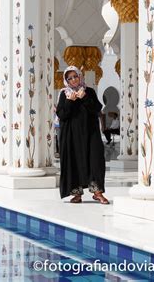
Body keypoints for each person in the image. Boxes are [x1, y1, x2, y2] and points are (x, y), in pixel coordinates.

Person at [56, 66, 109, 204]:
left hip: (90, 134)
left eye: (75, 76)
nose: (73, 80)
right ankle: (77, 194)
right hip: (72, 137)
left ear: (80, 76)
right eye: (70, 78)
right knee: (74, 162)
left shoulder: (89, 91)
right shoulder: (64, 94)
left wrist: (84, 97)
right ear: (66, 80)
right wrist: (70, 101)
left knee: (95, 161)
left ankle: (97, 193)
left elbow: (97, 109)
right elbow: (61, 115)